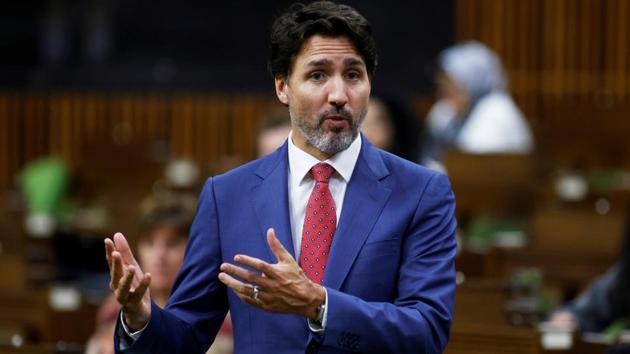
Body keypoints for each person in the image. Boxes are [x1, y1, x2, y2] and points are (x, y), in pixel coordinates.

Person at [105, 2, 457, 353]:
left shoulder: (421, 192)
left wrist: (319, 304)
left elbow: (426, 331)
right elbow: (185, 336)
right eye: (317, 75)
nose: (338, 95)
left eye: (353, 75)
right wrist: (140, 317)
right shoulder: (227, 195)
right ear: (282, 87)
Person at [420, 41, 534, 170]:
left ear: (473, 80)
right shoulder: (450, 112)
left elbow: (472, 170)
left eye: (451, 82)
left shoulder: (496, 111)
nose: (444, 90)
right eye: (442, 82)